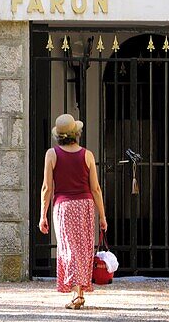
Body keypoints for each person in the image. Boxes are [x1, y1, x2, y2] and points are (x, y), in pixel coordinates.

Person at [38, 113, 107, 310]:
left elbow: (46, 188)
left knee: (69, 249)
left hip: (65, 207)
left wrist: (43, 214)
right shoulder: (87, 155)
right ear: (76, 133)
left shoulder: (52, 154)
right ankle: (80, 291)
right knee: (83, 248)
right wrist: (102, 215)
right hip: (85, 205)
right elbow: (96, 188)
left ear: (58, 136)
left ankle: (77, 294)